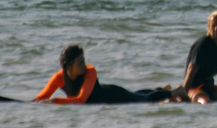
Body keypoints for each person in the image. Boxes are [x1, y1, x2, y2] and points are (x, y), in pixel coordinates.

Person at [33, 44, 172, 105]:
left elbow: (81, 100)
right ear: (68, 66)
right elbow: (40, 98)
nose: (84, 65)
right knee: (139, 94)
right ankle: (162, 89)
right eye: (80, 63)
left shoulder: (90, 71)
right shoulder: (59, 78)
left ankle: (174, 92)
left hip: (115, 96)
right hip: (110, 96)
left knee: (145, 100)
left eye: (84, 61)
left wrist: (54, 101)